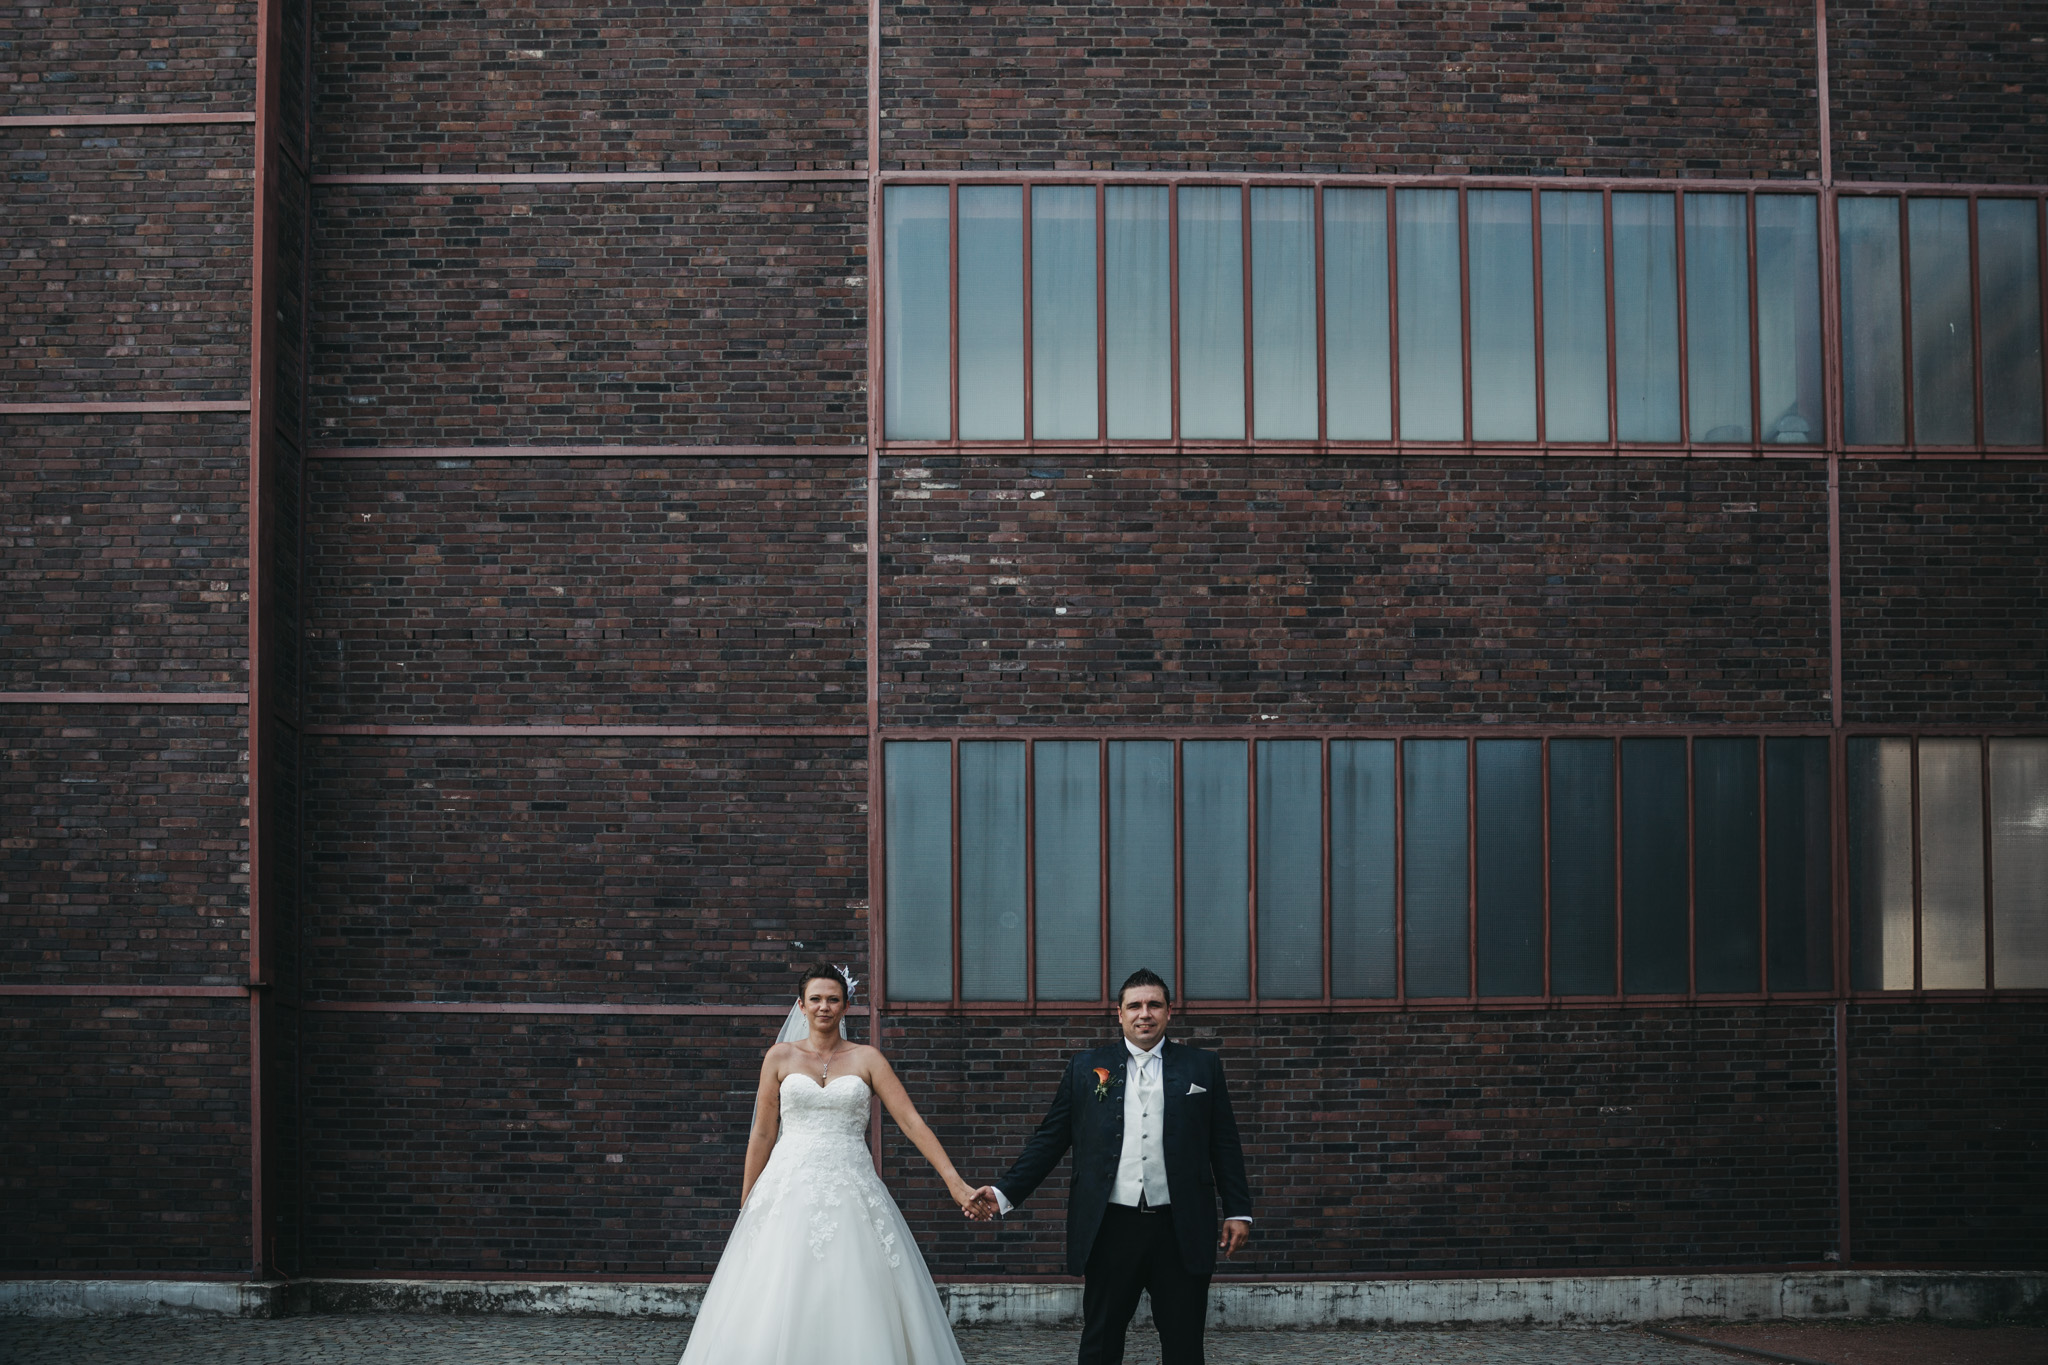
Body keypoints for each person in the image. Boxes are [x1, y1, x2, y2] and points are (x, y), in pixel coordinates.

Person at [679, 962, 989, 1365]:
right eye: (816, 999)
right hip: (786, 1187)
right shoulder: (779, 1057)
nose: (824, 1007)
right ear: (801, 1006)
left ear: (845, 1007)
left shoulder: (868, 1059)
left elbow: (912, 1122)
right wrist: (747, 1202)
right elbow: (762, 1133)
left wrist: (955, 1182)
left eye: (833, 999)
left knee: (856, 1287)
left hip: (851, 1187)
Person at [969, 968, 1253, 1365]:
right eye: (1134, 1005)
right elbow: (1050, 1139)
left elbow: (1223, 1143)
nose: (1144, 1014)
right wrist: (1004, 1192)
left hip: (1181, 1224)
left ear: (1169, 1012)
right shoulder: (1087, 1067)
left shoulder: (1202, 1067)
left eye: (1154, 1005)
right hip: (1111, 1225)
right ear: (1118, 1014)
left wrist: (1238, 1209)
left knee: (1185, 1341)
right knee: (1101, 1338)